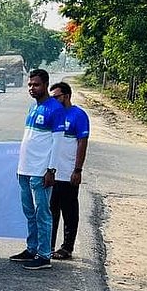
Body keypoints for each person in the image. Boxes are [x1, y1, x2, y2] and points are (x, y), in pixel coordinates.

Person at [12, 68, 64, 271]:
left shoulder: (55, 109)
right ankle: (31, 248)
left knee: (42, 213)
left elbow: (57, 142)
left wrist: (51, 170)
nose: (32, 88)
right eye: (30, 84)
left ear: (46, 85)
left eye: (36, 84)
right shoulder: (33, 107)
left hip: (40, 172)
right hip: (25, 170)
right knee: (29, 212)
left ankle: (44, 254)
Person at [49, 81, 91, 260]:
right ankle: (48, 245)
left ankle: (67, 247)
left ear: (66, 96)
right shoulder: (53, 115)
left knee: (69, 211)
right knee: (51, 210)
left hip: (68, 173)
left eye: (56, 97)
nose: (53, 101)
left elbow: (82, 143)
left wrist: (78, 170)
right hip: (52, 172)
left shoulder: (78, 115)